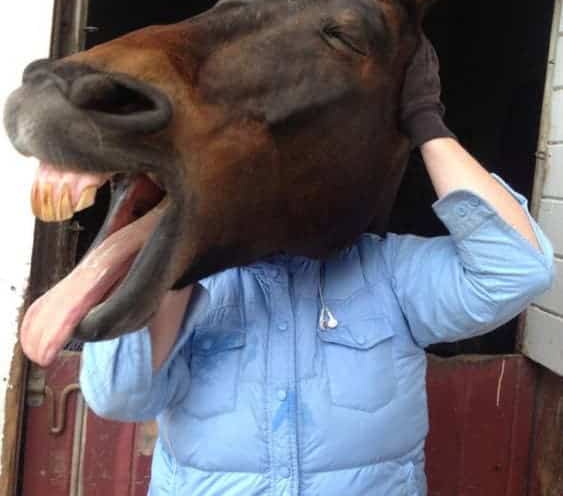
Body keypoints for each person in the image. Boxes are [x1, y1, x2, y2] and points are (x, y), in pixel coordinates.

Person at [79, 36, 554, 496]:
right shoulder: (194, 277)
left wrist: (426, 125)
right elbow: (118, 393)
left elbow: (516, 268)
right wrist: (184, 225)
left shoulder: (386, 273)